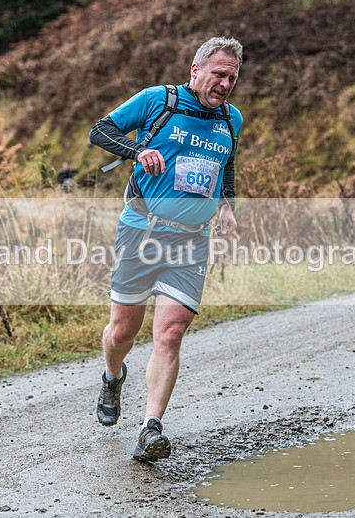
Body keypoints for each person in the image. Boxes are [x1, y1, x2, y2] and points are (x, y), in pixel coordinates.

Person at [88, 36, 243, 461]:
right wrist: (138, 150)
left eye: (232, 77)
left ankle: (150, 429)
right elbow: (99, 130)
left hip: (192, 241)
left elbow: (226, 165)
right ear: (195, 70)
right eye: (218, 74)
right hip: (141, 230)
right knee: (123, 331)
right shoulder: (159, 100)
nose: (225, 84)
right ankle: (113, 375)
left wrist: (227, 207)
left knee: (170, 335)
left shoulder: (232, 119)